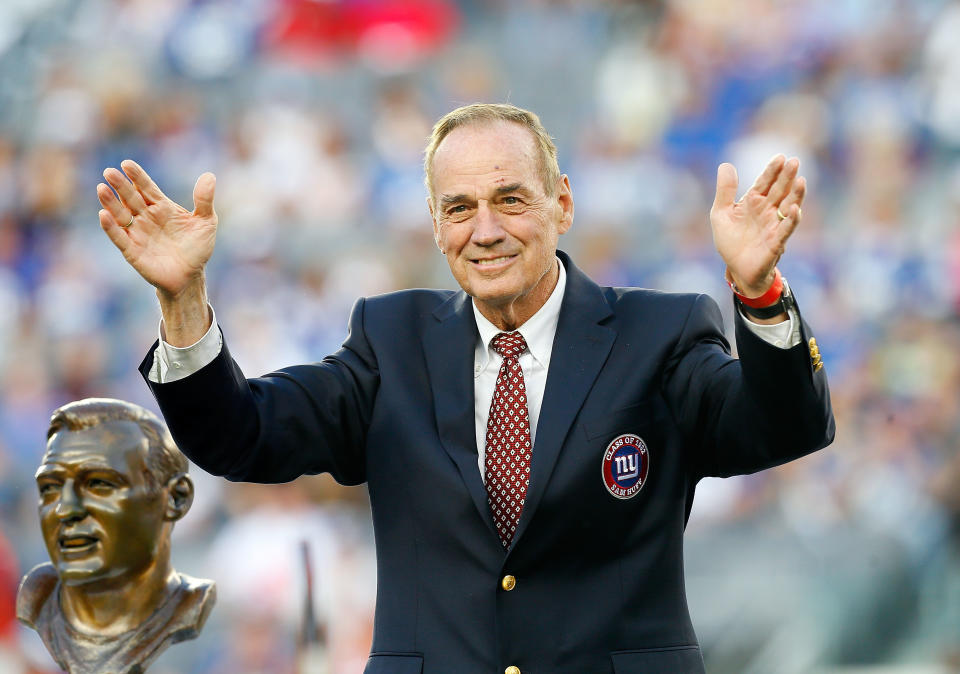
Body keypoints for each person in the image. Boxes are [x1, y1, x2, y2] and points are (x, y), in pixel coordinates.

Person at [95, 103, 833, 674]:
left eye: (510, 200)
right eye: (459, 208)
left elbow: (781, 426)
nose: (485, 230)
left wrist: (758, 291)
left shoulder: (659, 335)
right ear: (435, 224)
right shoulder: (390, 341)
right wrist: (184, 301)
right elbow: (241, 435)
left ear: (561, 204)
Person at [17, 398, 215, 674]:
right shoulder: (36, 601)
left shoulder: (194, 608)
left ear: (175, 498)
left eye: (99, 483)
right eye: (50, 487)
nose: (66, 509)